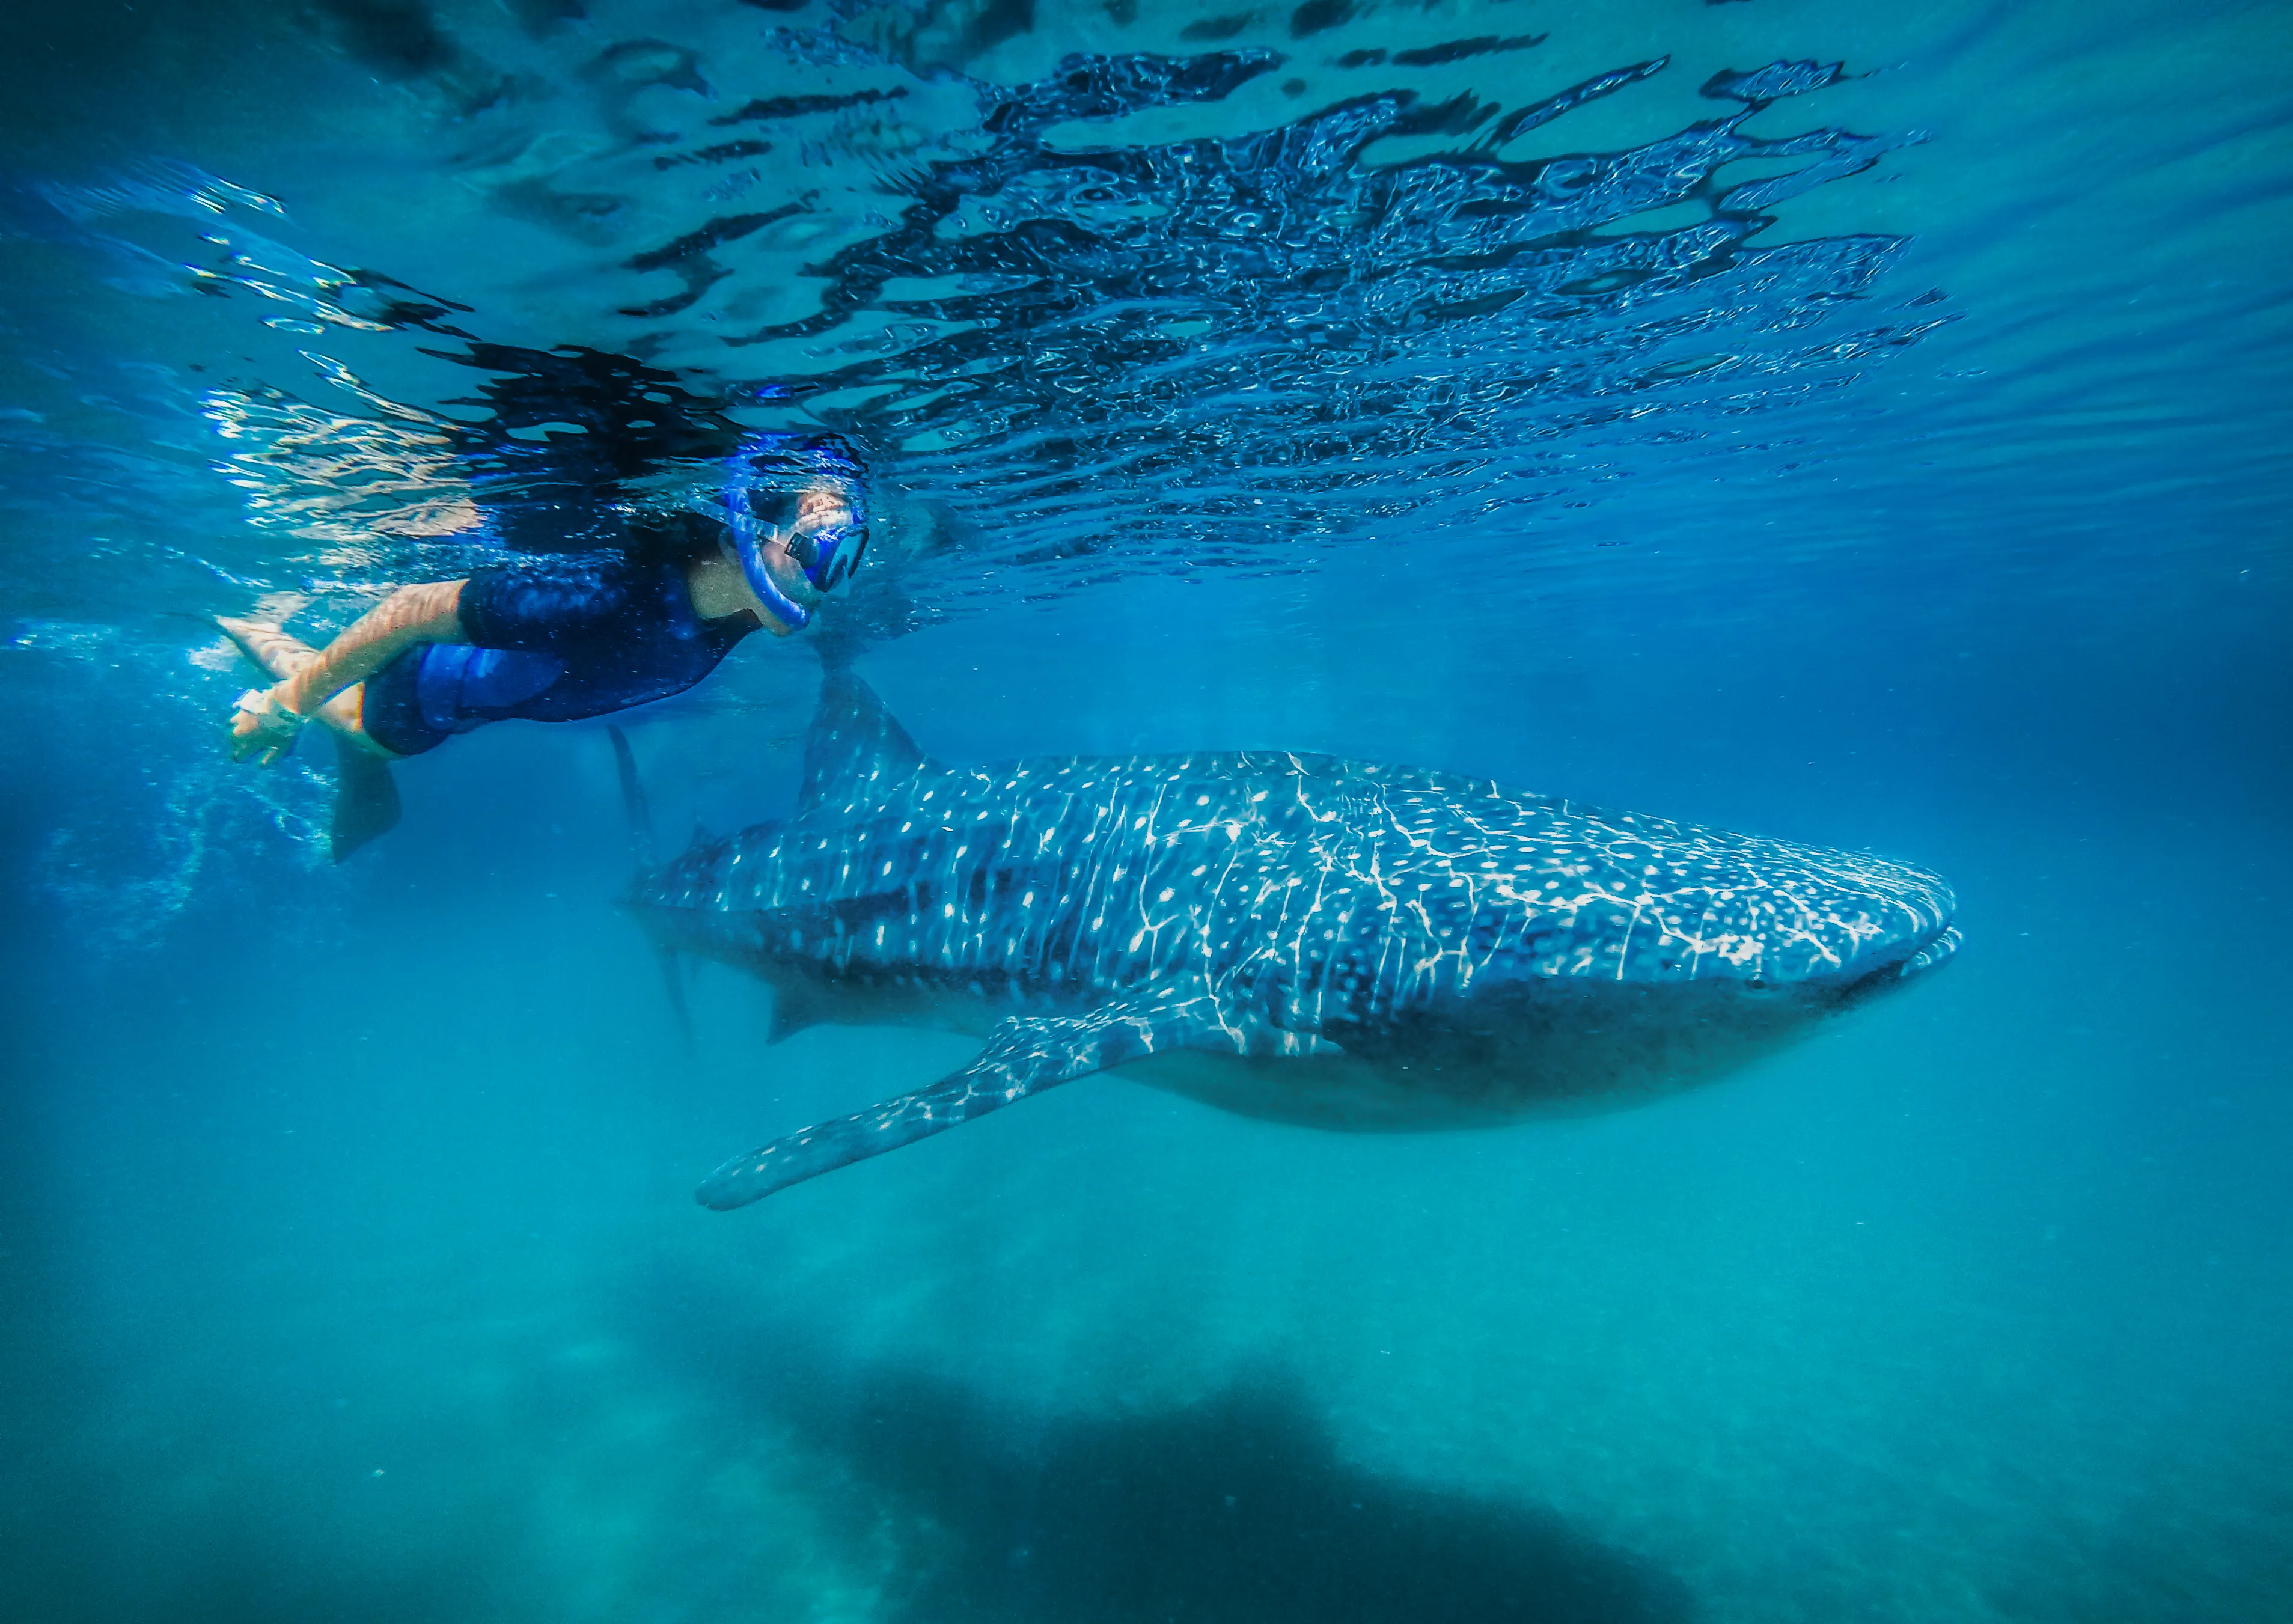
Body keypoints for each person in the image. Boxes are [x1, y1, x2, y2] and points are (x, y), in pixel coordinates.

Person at [218, 432, 870, 858]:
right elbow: (404, 611)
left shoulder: (743, 611)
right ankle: (250, 629)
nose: (829, 584)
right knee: (362, 732)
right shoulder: (603, 596)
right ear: (735, 539)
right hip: (418, 699)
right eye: (820, 552)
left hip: (468, 704)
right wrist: (283, 708)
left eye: (850, 555)